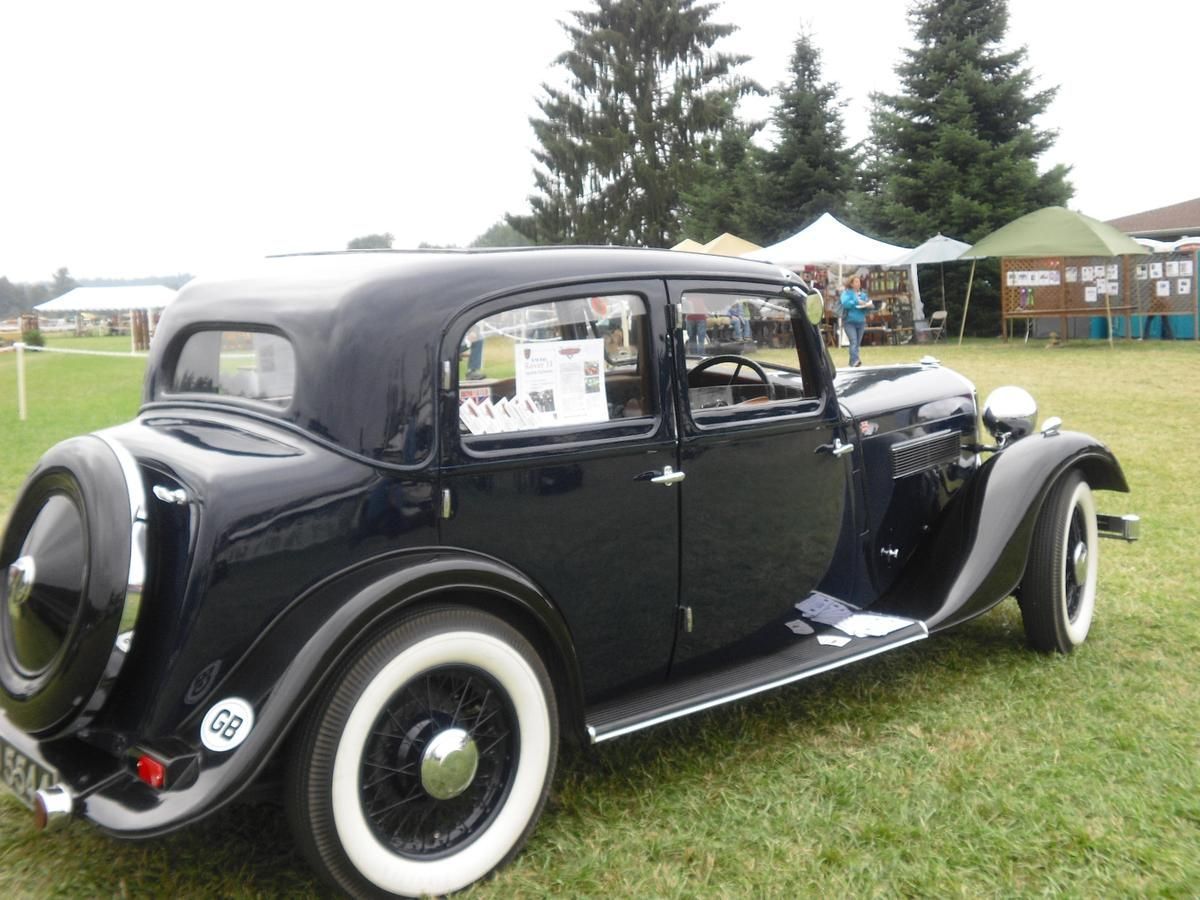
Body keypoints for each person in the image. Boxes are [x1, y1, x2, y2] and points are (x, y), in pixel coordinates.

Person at [840, 275, 871, 367]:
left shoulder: (863, 294)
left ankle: (852, 362)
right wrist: (856, 301)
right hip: (849, 322)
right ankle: (855, 360)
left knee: (857, 343)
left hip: (861, 322)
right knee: (853, 341)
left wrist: (867, 306)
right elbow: (845, 304)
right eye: (856, 282)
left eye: (859, 282)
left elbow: (866, 309)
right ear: (851, 284)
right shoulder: (846, 293)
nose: (858, 283)